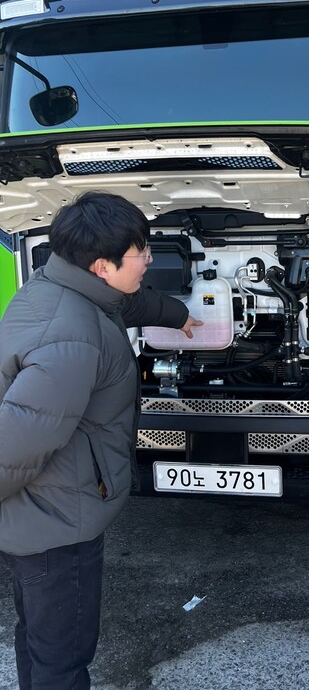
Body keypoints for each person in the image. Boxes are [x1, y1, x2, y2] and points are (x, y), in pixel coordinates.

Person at [0, 191, 201, 690]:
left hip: (41, 515)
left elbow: (126, 305)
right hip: (55, 525)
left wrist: (176, 314)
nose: (150, 259)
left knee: (40, 641)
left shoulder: (57, 288)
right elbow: (15, 442)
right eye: (141, 253)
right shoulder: (72, 337)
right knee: (62, 659)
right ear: (101, 265)